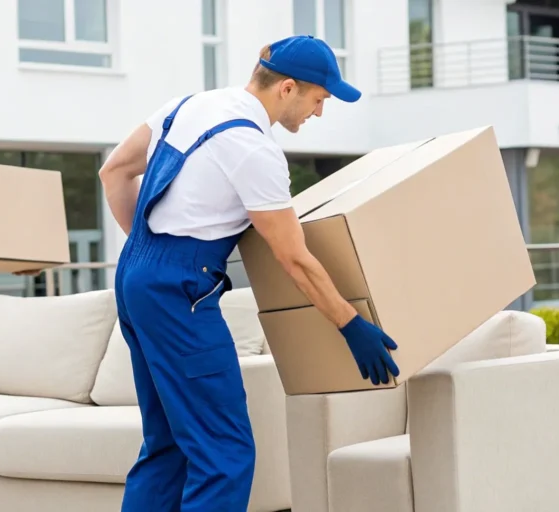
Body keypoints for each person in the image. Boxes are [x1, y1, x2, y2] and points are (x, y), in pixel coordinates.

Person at [98, 34, 401, 512]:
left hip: (136, 275)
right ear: (287, 88)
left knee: (168, 445)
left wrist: (149, 253)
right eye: (319, 99)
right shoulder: (253, 149)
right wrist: (350, 323)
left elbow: (113, 172)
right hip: (179, 293)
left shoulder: (187, 106)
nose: (319, 112)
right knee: (224, 453)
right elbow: (293, 257)